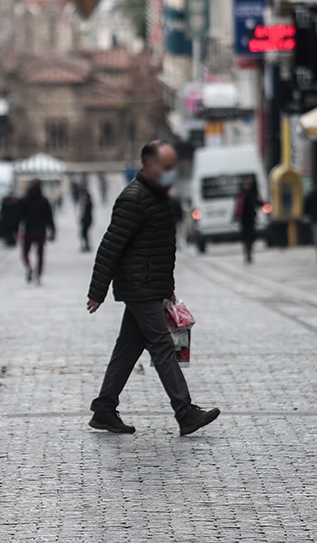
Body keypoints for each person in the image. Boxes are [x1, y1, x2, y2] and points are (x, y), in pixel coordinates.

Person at [87, 140, 220, 437]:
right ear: (150, 165)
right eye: (167, 165)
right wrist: (97, 291)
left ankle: (104, 409)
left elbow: (161, 248)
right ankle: (185, 412)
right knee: (163, 346)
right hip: (140, 286)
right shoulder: (134, 198)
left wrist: (167, 287)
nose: (173, 170)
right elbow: (111, 245)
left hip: (150, 284)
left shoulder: (156, 195)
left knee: (127, 349)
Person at [17, 179, 55, 284]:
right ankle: (38, 275)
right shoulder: (44, 201)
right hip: (41, 231)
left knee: (25, 252)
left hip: (28, 230)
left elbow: (19, 216)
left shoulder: (24, 200)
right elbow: (49, 217)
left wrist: (16, 230)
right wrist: (52, 230)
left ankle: (28, 266)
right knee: (40, 254)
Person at [234, 179, 263, 264]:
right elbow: (237, 207)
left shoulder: (253, 195)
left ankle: (249, 251)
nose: (246, 186)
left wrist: (261, 199)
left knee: (251, 236)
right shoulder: (240, 196)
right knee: (245, 236)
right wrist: (235, 217)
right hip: (243, 219)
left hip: (251, 218)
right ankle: (247, 252)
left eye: (248, 184)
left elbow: (259, 204)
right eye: (245, 184)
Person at [78, 187, 94, 252]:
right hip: (85, 220)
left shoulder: (88, 203)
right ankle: (86, 245)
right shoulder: (86, 203)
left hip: (86, 221)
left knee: (85, 233)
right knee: (84, 233)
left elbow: (86, 213)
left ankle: (86, 245)